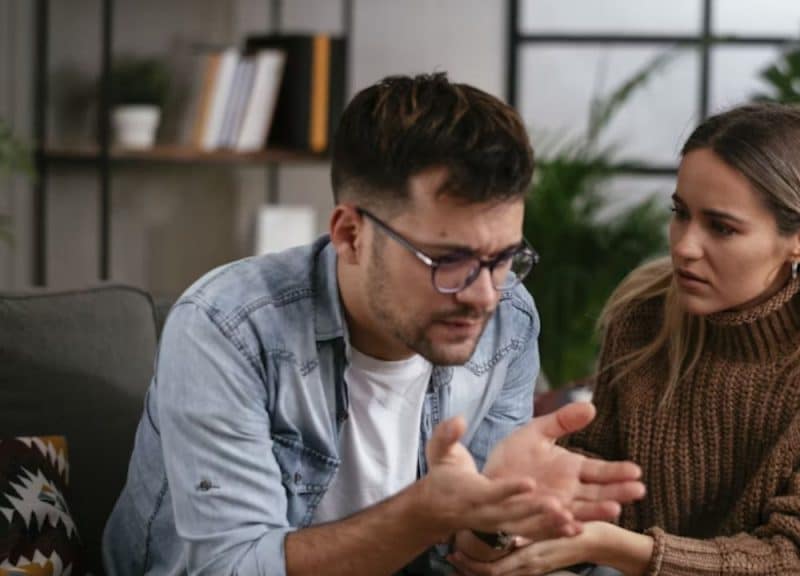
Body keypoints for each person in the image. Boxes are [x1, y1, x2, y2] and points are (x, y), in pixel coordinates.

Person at [102, 72, 645, 575]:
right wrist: (424, 514)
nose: (483, 295)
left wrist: (497, 514)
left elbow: (465, 557)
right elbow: (231, 566)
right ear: (350, 235)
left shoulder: (510, 319)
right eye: (448, 260)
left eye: (503, 258)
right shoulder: (227, 328)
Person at [448, 102, 800, 576]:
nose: (684, 246)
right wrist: (512, 518)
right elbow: (597, 479)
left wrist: (626, 550)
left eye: (722, 227)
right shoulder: (644, 315)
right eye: (680, 213)